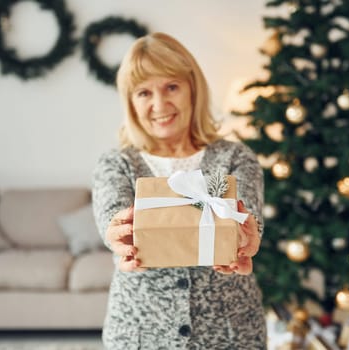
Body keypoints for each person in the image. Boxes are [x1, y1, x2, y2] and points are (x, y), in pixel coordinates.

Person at [92, 32, 267, 349]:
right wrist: (118, 233)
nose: (159, 104)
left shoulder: (231, 158)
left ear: (192, 90)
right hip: (141, 334)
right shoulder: (118, 163)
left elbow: (245, 209)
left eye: (171, 87)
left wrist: (245, 234)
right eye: (144, 92)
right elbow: (111, 214)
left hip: (230, 332)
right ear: (131, 103)